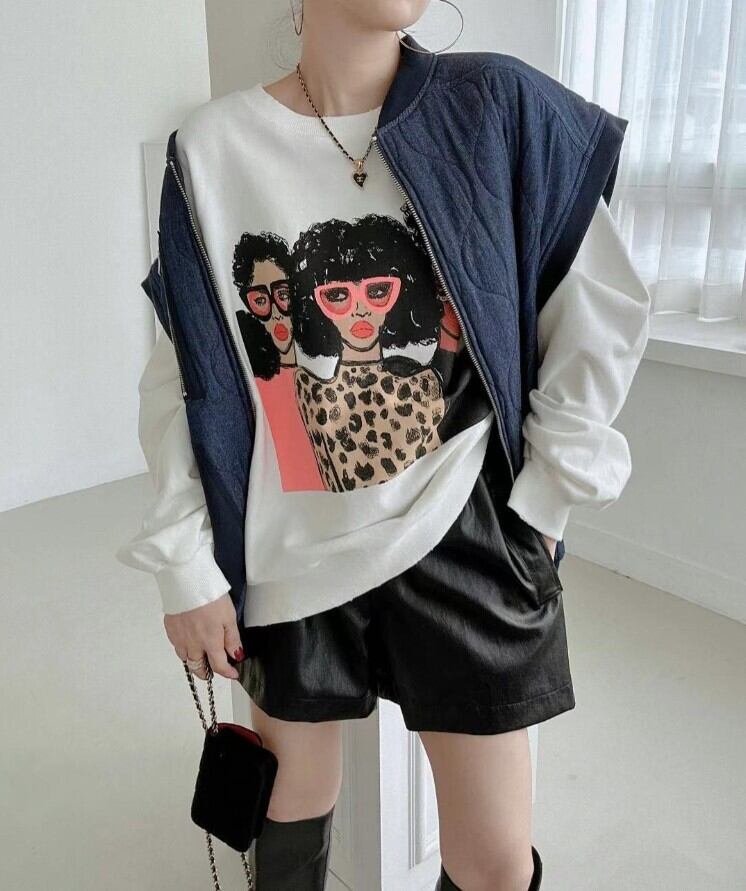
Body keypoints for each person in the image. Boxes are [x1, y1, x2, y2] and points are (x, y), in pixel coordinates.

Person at [116, 1, 651, 888]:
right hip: (288, 541)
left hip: (466, 524)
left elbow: (600, 308)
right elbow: (184, 375)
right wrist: (184, 563)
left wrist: (548, 502)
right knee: (289, 814)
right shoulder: (209, 149)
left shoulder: (496, 104)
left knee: (494, 861)